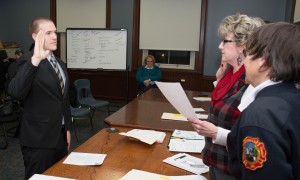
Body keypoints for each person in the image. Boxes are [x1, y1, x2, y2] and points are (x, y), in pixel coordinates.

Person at [187, 14, 264, 180]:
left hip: (233, 168)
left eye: (225, 41)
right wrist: (219, 80)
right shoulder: (229, 73)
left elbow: (250, 137)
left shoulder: (252, 79)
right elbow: (222, 104)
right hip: (215, 160)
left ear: (243, 45)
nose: (220, 46)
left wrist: (215, 132)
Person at [227, 22, 300, 179]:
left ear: (263, 62)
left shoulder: (261, 114)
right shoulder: (292, 97)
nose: (244, 61)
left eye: (248, 54)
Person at [8, 17, 72, 179]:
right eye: (48, 33)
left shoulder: (60, 63)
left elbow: (63, 100)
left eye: (55, 32)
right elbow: (16, 92)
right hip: (38, 140)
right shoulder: (27, 60)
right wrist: (35, 59)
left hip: (59, 135)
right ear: (35, 37)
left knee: (59, 175)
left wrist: (68, 128)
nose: (54, 36)